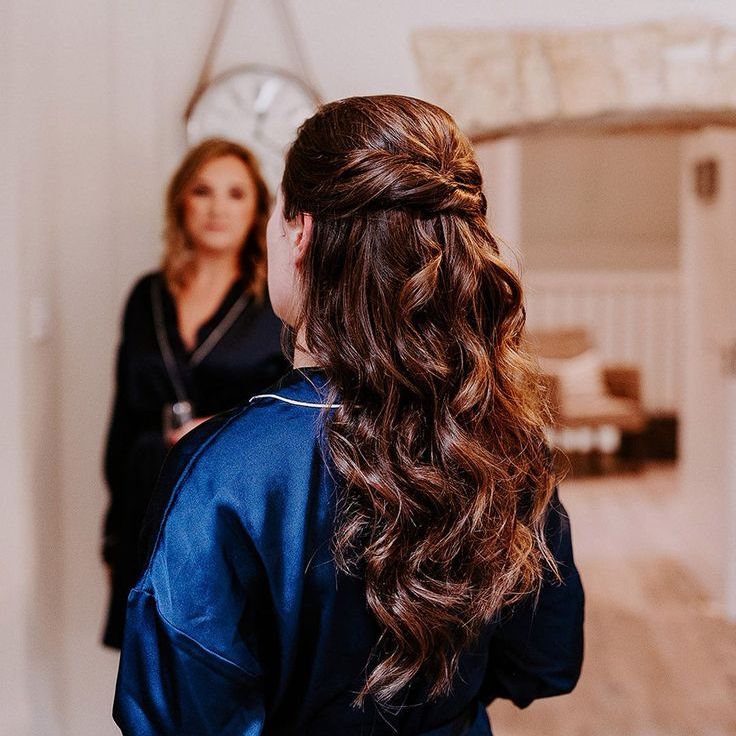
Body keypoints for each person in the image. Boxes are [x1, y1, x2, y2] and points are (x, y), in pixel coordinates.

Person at [113, 96, 584, 735]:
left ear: (300, 232)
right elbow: (544, 662)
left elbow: (177, 716)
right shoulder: (501, 437)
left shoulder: (221, 474)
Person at [101, 138, 289, 649]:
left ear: (257, 211)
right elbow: (124, 420)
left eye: (235, 193)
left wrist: (219, 430)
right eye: (202, 191)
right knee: (149, 662)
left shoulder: (273, 305)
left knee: (219, 656)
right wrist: (113, 535)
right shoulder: (146, 297)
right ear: (181, 201)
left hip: (230, 508)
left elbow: (291, 417)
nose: (217, 208)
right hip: (145, 499)